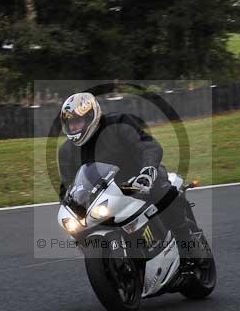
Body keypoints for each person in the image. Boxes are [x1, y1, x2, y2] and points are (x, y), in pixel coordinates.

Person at [58, 92, 196, 256]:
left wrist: (147, 172)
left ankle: (188, 244)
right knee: (78, 227)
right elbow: (69, 185)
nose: (73, 128)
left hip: (141, 179)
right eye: (70, 124)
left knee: (164, 194)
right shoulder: (66, 151)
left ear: (90, 117)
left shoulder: (119, 123)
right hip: (106, 197)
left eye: (77, 122)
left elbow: (149, 147)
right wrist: (69, 204)